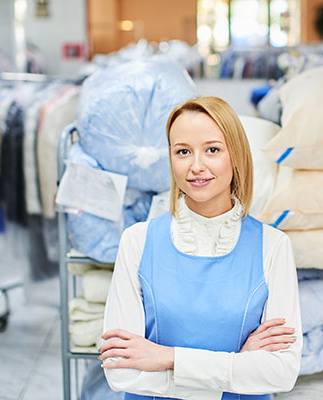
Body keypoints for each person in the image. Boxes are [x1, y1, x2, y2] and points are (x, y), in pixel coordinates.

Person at [100, 96, 302, 399]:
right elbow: (121, 369)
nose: (196, 166)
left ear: (235, 155)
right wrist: (237, 366)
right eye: (183, 151)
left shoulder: (273, 247)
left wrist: (168, 358)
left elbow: (281, 372)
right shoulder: (137, 241)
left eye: (212, 150)